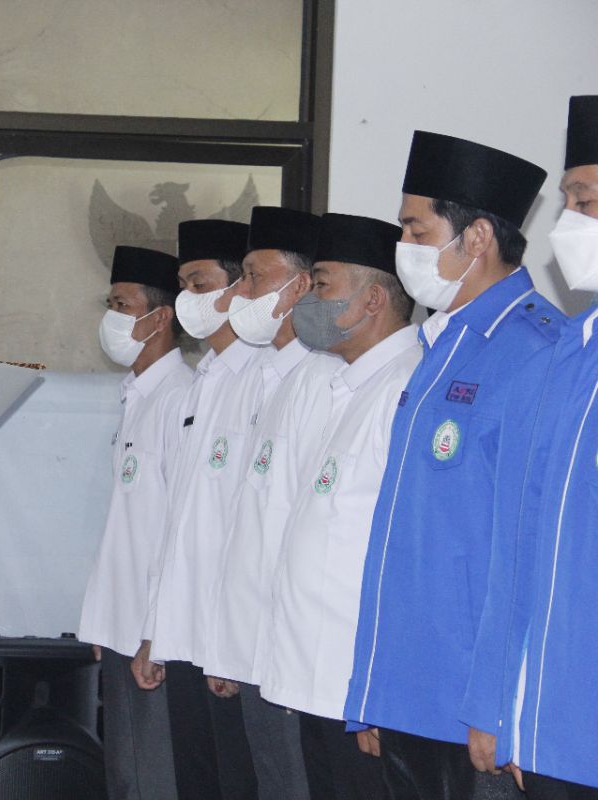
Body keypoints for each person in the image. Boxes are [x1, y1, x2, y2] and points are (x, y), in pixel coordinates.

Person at [342, 131, 563, 800]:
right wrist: (371, 690)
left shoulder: (537, 350)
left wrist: (500, 703)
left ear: (477, 239)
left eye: (416, 228)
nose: (402, 244)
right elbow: (396, 538)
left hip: (474, 710)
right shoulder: (439, 346)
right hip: (410, 692)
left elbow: (530, 547)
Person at [462, 95, 598, 800]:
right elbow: (514, 550)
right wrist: (499, 703)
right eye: (569, 201)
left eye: (586, 200)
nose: (568, 223)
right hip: (551, 727)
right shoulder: (559, 362)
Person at [259, 212, 414, 800]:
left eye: (320, 286)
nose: (308, 300)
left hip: (357, 684)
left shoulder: (405, 386)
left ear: (373, 299)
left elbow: (402, 551)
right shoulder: (346, 382)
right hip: (312, 671)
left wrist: (380, 686)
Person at [205, 205, 339, 800]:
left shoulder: (322, 379)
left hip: (286, 651)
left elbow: (300, 531)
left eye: (255, 277)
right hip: (249, 645)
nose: (242, 293)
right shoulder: (263, 375)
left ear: (301, 286)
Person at [135, 218, 261, 800]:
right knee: (196, 783)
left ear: (240, 288)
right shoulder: (198, 383)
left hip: (229, 643)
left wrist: (227, 645)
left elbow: (251, 526)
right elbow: (177, 525)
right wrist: (155, 630)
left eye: (200, 282)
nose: (189, 298)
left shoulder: (265, 381)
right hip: (183, 633)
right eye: (183, 284)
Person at [79, 244, 191, 800]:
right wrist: (104, 620)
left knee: (156, 780)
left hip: (152, 635)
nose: (112, 317)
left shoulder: (181, 398)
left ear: (160, 317)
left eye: (122, 304)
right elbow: (126, 523)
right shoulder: (137, 396)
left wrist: (155, 632)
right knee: (126, 780)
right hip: (122, 627)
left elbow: (178, 528)